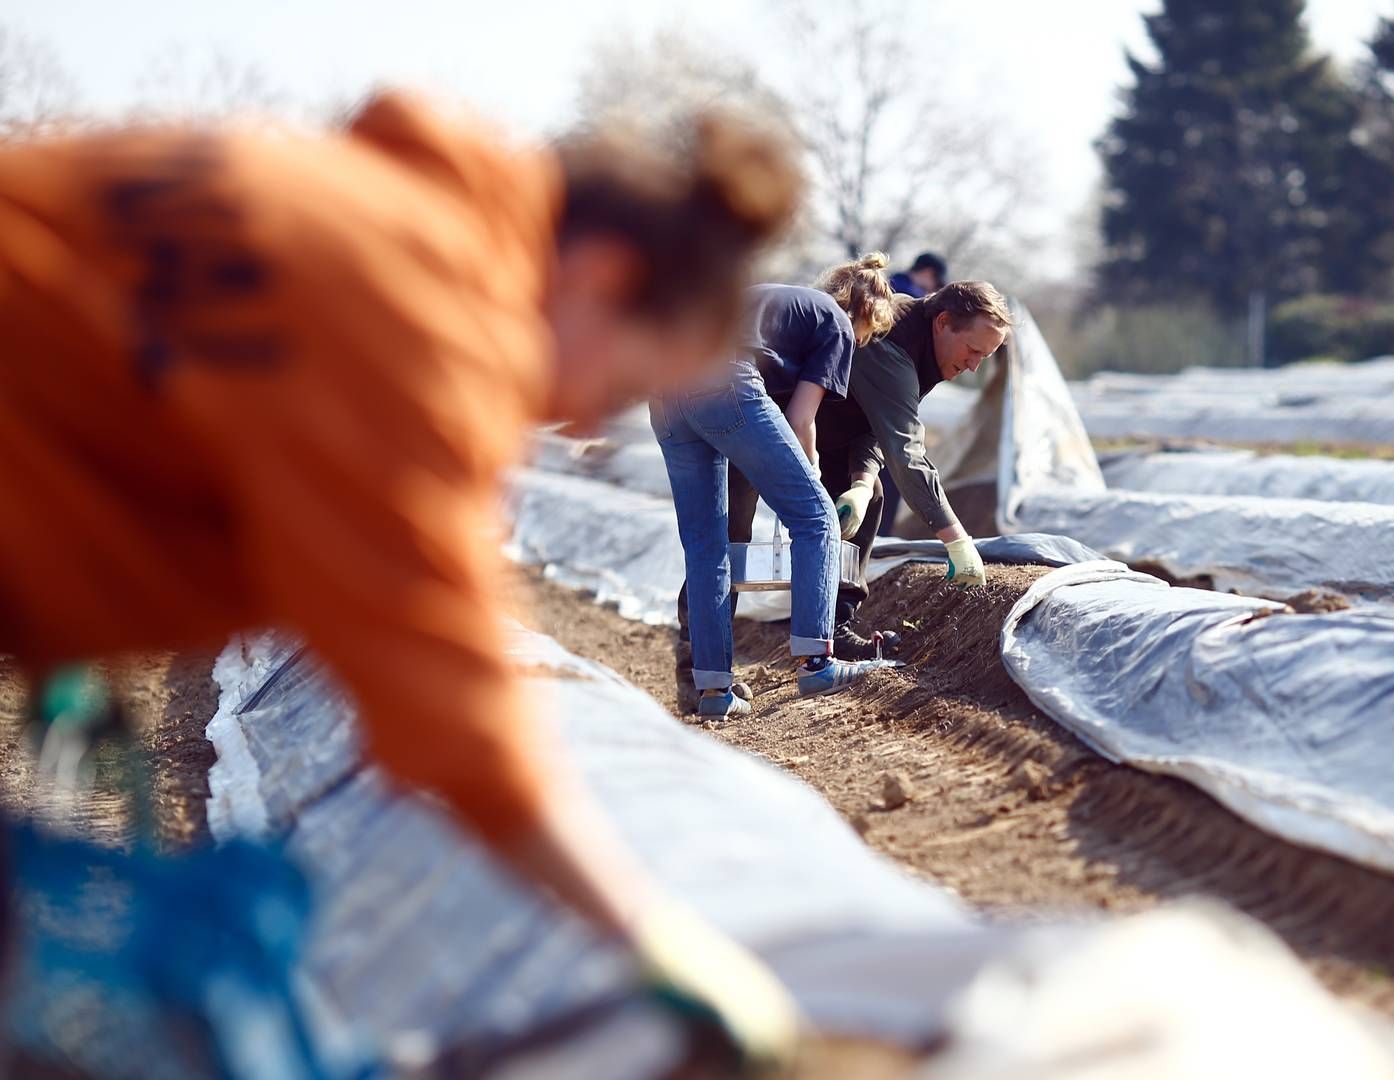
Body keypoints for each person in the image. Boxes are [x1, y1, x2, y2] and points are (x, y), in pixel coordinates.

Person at [0, 93, 803, 1068]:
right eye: (621, 389)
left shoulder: (374, 206)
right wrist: (646, 933)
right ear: (599, 275)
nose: (591, 429)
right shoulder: (418, 320)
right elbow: (447, 702)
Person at [655, 256, 897, 717]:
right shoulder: (839, 325)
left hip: (666, 390)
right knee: (817, 517)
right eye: (870, 337)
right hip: (724, 382)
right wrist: (814, 474)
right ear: (865, 315)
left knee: (709, 547)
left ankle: (714, 691)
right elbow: (801, 418)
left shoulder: (780, 302)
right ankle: (818, 663)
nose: (862, 344)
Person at [819, 281, 1013, 656]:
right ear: (943, 322)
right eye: (973, 350)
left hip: (826, 426)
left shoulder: (927, 350)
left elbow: (876, 421)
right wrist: (956, 539)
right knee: (734, 531)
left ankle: (834, 628)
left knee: (871, 496)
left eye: (984, 358)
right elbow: (905, 452)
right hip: (765, 412)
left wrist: (860, 481)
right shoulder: (893, 342)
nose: (974, 367)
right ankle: (702, 658)